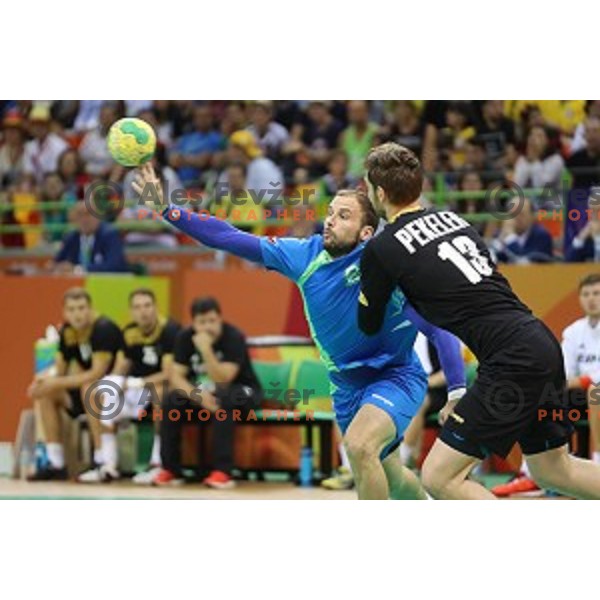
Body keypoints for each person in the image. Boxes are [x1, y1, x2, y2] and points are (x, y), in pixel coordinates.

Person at [132, 163, 466, 500]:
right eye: (331, 212)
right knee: (390, 474)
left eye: (344, 216)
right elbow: (229, 237)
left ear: (366, 232)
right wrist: (166, 209)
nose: (331, 220)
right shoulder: (305, 256)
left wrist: (456, 391)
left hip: (395, 376)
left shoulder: (385, 265)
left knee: (359, 446)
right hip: (346, 386)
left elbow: (438, 326)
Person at [358, 142, 600, 499]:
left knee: (438, 477)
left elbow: (368, 323)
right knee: (553, 469)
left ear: (379, 192)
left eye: (366, 187)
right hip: (540, 343)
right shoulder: (456, 221)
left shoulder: (383, 248)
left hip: (511, 360)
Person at [492, 273, 600, 496]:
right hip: (580, 395)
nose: (591, 299)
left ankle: (597, 461)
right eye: (586, 294)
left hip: (593, 393)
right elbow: (564, 373)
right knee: (542, 395)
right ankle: (533, 473)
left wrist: (586, 380)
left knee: (595, 391)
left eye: (597, 293)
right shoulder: (573, 331)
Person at [155, 297, 262, 489]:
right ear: (194, 323)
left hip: (244, 391)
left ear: (220, 319)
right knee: (171, 400)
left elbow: (223, 379)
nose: (208, 327)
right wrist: (197, 396)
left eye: (212, 321)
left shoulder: (233, 337)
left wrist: (206, 350)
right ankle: (171, 469)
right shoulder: (185, 337)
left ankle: (223, 471)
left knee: (225, 399)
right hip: (205, 394)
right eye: (202, 322)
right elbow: (176, 377)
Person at [78, 288, 181, 483]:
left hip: (163, 386)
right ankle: (106, 463)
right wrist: (113, 385)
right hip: (136, 388)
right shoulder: (129, 332)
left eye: (147, 306)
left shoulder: (170, 330)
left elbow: (169, 374)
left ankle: (158, 463)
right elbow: (120, 367)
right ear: (131, 312)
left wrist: (138, 383)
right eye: (137, 307)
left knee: (161, 393)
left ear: (156, 308)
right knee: (95, 392)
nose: (143, 311)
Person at [27, 288, 123, 480]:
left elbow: (97, 372)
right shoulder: (68, 332)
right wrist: (43, 380)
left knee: (90, 388)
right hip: (84, 392)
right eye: (71, 309)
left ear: (90, 308)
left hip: (115, 391)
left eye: (81, 308)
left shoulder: (103, 328)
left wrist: (54, 382)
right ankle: (56, 462)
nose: (77, 314)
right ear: (64, 312)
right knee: (47, 394)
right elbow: (59, 369)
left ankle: (100, 459)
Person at [53, 202, 129, 273]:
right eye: (80, 215)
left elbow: (114, 265)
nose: (84, 220)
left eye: (88, 214)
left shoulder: (109, 235)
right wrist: (58, 267)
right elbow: (58, 262)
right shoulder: (71, 238)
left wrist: (78, 269)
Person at [491, 197, 554, 264]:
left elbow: (524, 262)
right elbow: (491, 260)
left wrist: (511, 238)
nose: (516, 218)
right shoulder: (502, 233)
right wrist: (500, 240)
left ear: (532, 216)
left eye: (521, 214)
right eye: (512, 214)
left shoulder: (542, 236)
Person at [22, 104, 69, 184]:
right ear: (31, 127)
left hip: (57, 184)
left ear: (48, 126)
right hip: (38, 187)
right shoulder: (29, 147)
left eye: (42, 124)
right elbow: (28, 174)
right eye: (35, 125)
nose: (38, 128)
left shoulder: (60, 145)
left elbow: (65, 173)